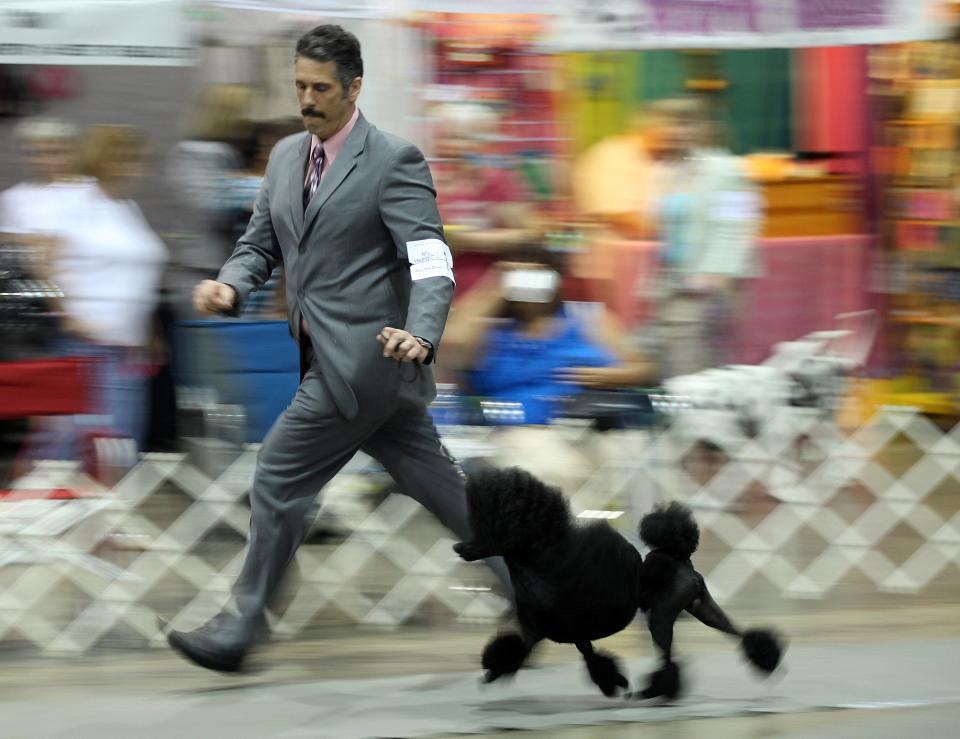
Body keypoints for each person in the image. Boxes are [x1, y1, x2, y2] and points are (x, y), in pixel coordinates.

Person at [165, 24, 510, 673]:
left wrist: (424, 331)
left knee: (277, 475)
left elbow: (431, 259)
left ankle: (243, 623)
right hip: (336, 362)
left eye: (321, 88)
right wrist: (230, 285)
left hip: (368, 362)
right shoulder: (286, 157)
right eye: (300, 85)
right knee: (445, 492)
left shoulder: (394, 159)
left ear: (354, 87)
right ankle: (538, 590)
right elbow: (260, 244)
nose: (307, 99)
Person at [18, 125, 168, 463]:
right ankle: (40, 508)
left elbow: (139, 273)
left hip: (128, 346)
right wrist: (66, 315)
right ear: (108, 159)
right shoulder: (74, 200)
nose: (138, 168)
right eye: (131, 159)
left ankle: (103, 511)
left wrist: (151, 331)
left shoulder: (126, 208)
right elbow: (43, 261)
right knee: (71, 445)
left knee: (119, 444)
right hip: (86, 344)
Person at [443, 246, 654, 427]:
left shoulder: (590, 317)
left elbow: (645, 369)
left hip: (593, 421)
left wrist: (611, 377)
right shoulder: (487, 327)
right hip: (519, 431)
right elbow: (451, 343)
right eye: (518, 277)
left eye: (539, 275)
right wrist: (495, 288)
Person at [643, 96, 763, 378]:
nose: (673, 131)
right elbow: (662, 231)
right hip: (672, 285)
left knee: (694, 371)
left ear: (702, 128)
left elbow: (737, 226)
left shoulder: (728, 169)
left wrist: (713, 276)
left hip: (708, 288)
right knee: (678, 364)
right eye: (667, 123)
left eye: (683, 124)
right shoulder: (664, 170)